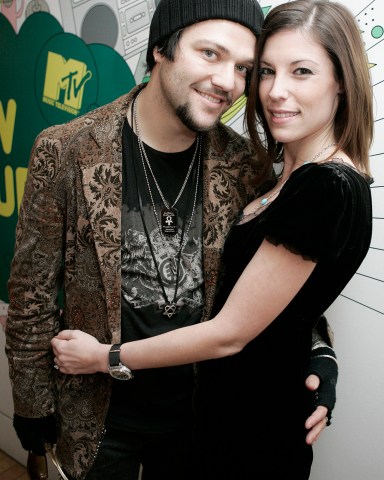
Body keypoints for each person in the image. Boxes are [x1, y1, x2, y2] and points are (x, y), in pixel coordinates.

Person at [6, 1, 339, 479]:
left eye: (244, 68)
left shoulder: (248, 167)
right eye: (210, 53)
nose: (228, 82)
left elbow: (275, 288)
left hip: (202, 419)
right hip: (96, 418)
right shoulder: (66, 150)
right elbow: (31, 295)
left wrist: (320, 353)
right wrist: (31, 403)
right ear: (161, 49)